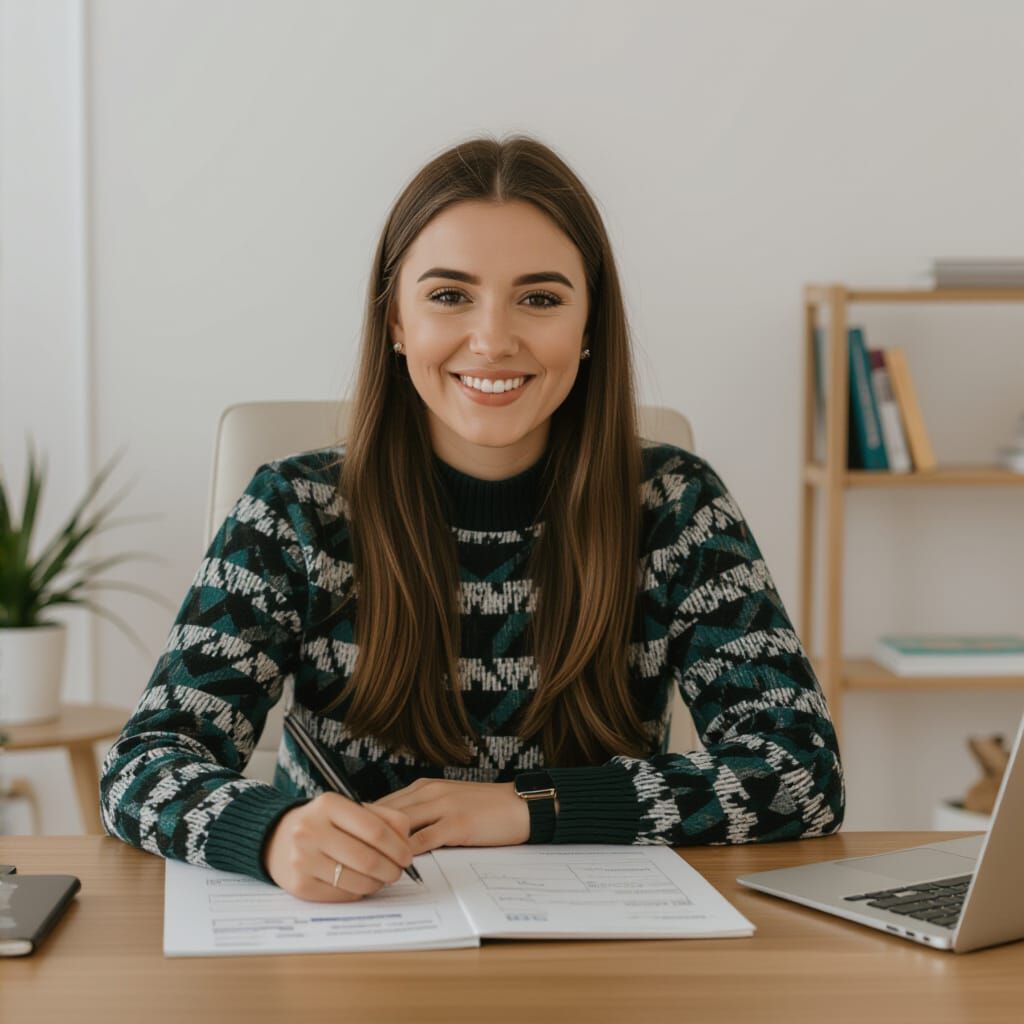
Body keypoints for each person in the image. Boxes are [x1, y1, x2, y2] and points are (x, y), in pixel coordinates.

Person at [99, 133, 845, 905]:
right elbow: (143, 765)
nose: (492, 339)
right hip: (358, 936)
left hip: (603, 947)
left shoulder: (675, 505)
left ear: (590, 326)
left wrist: (529, 807)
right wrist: (273, 833)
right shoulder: (294, 512)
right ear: (395, 321)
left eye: (541, 298)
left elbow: (801, 771)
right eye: (450, 295)